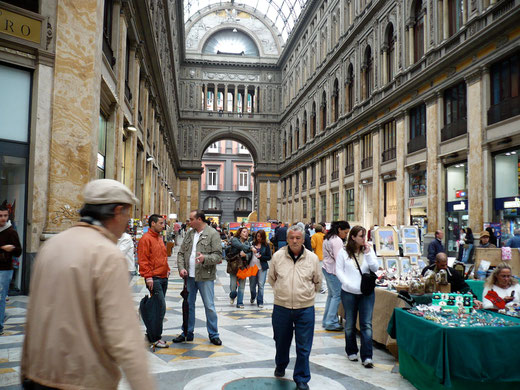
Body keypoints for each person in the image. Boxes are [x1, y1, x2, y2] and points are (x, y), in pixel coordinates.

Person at [21, 179, 153, 389]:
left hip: (38, 374)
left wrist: (26, 370)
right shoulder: (107, 255)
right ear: (117, 211)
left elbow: (34, 314)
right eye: (127, 214)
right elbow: (124, 335)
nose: (128, 221)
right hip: (83, 379)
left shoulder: (52, 246)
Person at [269, 224, 321, 390]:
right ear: (287, 239)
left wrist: (305, 294)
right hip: (282, 307)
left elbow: (317, 282)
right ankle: (281, 364)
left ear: (303, 238)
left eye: (298, 238)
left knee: (304, 345)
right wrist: (282, 291)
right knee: (281, 341)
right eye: (291, 238)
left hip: (305, 308)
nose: (294, 241)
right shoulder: (277, 256)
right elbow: (272, 279)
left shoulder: (312, 258)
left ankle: (302, 378)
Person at [175, 210, 222, 345]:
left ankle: (214, 334)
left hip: (205, 277)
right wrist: (181, 268)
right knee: (188, 305)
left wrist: (204, 258)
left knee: (209, 306)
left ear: (199, 220)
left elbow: (218, 256)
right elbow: (181, 253)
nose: (188, 222)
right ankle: (187, 332)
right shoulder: (189, 234)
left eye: (191, 219)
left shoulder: (213, 234)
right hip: (189, 276)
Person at [336, 226, 378, 368]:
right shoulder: (343, 252)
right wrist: (347, 284)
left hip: (366, 293)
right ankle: (351, 350)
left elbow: (375, 268)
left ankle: (367, 356)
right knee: (350, 324)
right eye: (361, 236)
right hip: (348, 292)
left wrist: (367, 254)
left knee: (366, 324)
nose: (363, 239)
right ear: (353, 237)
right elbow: (339, 270)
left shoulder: (369, 250)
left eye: (365, 236)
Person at [138, 214, 170, 349]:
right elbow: (143, 259)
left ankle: (151, 335)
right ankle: (155, 337)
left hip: (163, 277)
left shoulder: (159, 238)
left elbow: (162, 256)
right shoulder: (146, 239)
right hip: (154, 279)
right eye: (161, 223)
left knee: (158, 309)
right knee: (160, 308)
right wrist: (148, 276)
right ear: (153, 223)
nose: (163, 226)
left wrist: (167, 269)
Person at [321, 221, 350, 331]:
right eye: (345, 232)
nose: (346, 235)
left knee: (331, 296)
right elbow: (339, 258)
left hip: (326, 268)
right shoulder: (337, 241)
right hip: (333, 270)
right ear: (339, 230)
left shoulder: (328, 238)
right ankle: (331, 322)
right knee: (337, 296)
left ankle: (326, 320)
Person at [0, 205, 21, 335]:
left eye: (5, 216)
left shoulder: (11, 232)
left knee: (1, 297)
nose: (3, 218)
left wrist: (11, 248)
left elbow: (19, 251)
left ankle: (0, 326)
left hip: (5, 269)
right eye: (0, 216)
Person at [227, 227, 253, 308]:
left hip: (243, 266)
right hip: (234, 266)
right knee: (233, 286)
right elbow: (240, 246)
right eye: (244, 232)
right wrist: (250, 248)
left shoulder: (248, 243)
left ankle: (240, 303)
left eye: (247, 232)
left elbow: (250, 255)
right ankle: (232, 295)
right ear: (240, 233)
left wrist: (246, 255)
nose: (246, 233)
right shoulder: (235, 240)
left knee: (241, 286)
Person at [249, 230, 272, 308]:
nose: (259, 238)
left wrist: (261, 257)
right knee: (252, 285)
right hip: (252, 267)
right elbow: (248, 254)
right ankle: (253, 296)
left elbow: (269, 257)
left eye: (260, 236)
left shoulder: (266, 245)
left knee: (261, 285)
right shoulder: (251, 244)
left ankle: (260, 301)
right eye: (257, 236)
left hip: (262, 267)